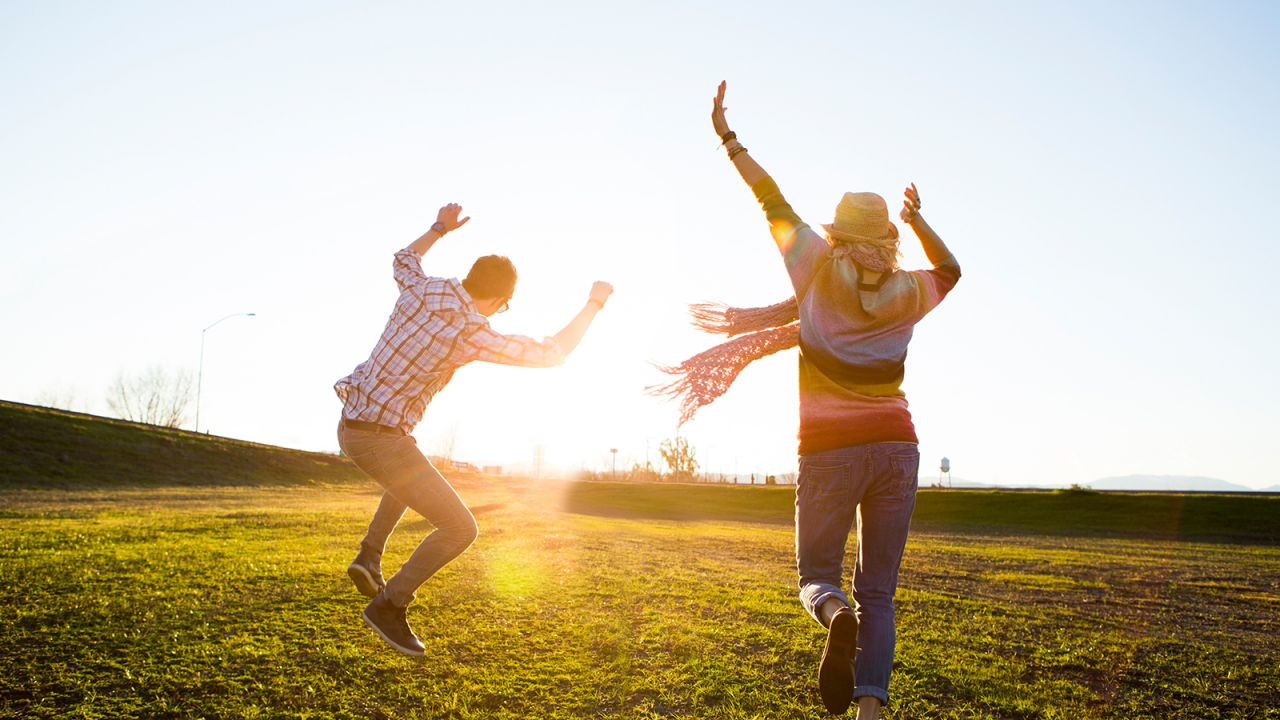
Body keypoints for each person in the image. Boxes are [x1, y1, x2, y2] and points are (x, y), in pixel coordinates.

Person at [653, 83, 960, 717]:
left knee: (816, 575)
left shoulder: (815, 266)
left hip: (828, 450)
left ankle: (833, 614)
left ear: (837, 231)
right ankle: (871, 711)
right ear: (889, 237)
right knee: (881, 591)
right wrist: (919, 220)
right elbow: (952, 269)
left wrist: (727, 137)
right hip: (898, 447)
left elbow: (769, 196)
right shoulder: (910, 289)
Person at [335, 202, 613, 656]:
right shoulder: (470, 329)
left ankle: (370, 554)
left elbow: (403, 258)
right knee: (460, 528)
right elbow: (549, 353)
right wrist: (594, 303)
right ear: (500, 300)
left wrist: (440, 228)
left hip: (352, 426)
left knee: (410, 473)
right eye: (502, 308)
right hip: (379, 438)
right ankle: (389, 604)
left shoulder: (422, 289)